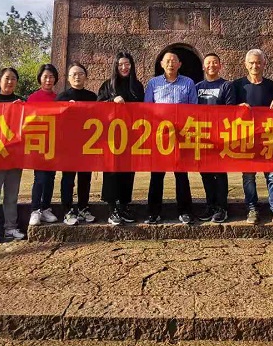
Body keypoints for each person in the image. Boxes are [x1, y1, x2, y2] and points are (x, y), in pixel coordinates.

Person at [232, 49, 273, 228]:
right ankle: (252, 209)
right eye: (251, 63)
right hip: (246, 137)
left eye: (258, 62)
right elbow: (227, 110)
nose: (255, 66)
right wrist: (238, 107)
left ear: (264, 64)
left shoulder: (271, 86)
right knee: (248, 177)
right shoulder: (237, 85)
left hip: (268, 138)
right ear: (245, 64)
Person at [144, 51, 198, 224]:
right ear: (161, 64)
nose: (170, 64)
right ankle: (153, 212)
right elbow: (147, 109)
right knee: (156, 176)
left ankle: (185, 211)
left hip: (181, 136)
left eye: (174, 61)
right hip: (160, 137)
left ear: (179, 64)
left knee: (181, 175)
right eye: (167, 61)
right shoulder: (153, 83)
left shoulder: (188, 83)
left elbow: (194, 109)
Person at [98, 52, 145, 226]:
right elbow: (97, 107)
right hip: (111, 136)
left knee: (128, 171)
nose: (124, 68)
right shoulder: (107, 85)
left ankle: (124, 205)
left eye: (127, 64)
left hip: (131, 136)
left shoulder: (137, 86)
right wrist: (112, 100)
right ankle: (112, 209)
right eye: (120, 65)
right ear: (115, 66)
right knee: (112, 172)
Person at [0, 68, 26, 245]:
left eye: (13, 79)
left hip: (15, 155)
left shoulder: (22, 102)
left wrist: (21, 109)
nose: (10, 82)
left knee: (12, 193)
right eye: (7, 78)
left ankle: (10, 227)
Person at [195, 53, 236, 223]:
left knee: (219, 173)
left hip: (219, 137)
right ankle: (210, 205)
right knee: (205, 173)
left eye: (214, 62)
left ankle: (222, 207)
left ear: (220, 65)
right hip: (202, 136)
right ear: (203, 66)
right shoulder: (197, 87)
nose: (211, 66)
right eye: (208, 63)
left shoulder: (226, 85)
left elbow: (230, 110)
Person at [58, 62, 99, 225]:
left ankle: (83, 208)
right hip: (68, 146)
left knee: (85, 178)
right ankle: (67, 211)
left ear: (86, 77)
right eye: (74, 74)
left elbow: (100, 117)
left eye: (81, 74)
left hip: (87, 144)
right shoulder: (62, 97)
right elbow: (54, 121)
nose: (77, 77)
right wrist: (65, 110)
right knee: (68, 179)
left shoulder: (92, 97)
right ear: (68, 78)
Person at [27, 63, 60, 227]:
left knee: (50, 177)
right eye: (45, 76)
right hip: (38, 143)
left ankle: (46, 208)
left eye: (51, 77)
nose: (48, 80)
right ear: (40, 78)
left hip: (54, 143)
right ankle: (35, 210)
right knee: (39, 178)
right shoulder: (33, 98)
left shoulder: (59, 98)